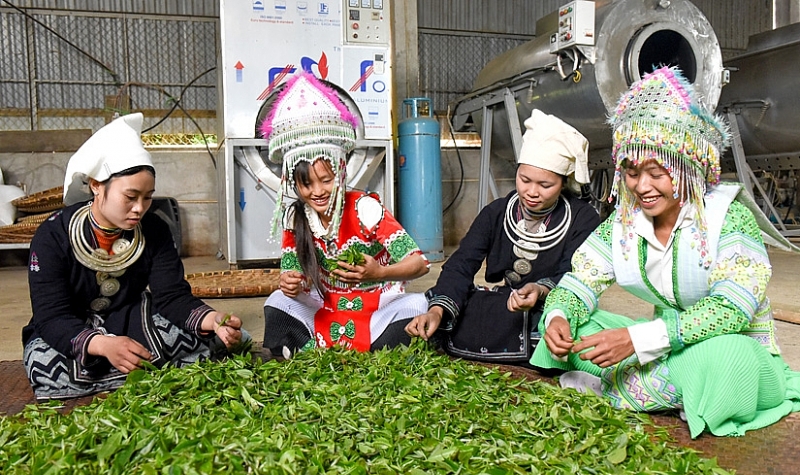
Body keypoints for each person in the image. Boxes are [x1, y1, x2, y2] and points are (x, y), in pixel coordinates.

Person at [532, 66, 800, 438]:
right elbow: (580, 282)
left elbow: (731, 311)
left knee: (725, 360)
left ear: (689, 166)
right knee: (578, 331)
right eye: (630, 171)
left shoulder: (729, 218)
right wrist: (559, 317)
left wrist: (636, 341)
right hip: (662, 348)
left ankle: (618, 388)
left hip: (730, 349)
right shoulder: (624, 222)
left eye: (657, 172)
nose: (642, 186)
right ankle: (667, 391)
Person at [23, 113, 247, 401]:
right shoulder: (53, 235)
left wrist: (213, 319)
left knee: (208, 335)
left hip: (129, 319)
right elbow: (52, 315)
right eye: (130, 197)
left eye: (148, 196)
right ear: (96, 185)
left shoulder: (154, 230)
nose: (140, 208)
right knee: (42, 363)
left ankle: (118, 374)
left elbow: (172, 297)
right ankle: (143, 367)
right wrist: (102, 345)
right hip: (72, 326)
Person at [405, 110, 600, 363]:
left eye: (545, 185)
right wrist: (437, 311)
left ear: (563, 182)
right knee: (441, 304)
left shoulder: (582, 218)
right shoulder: (496, 212)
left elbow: (575, 274)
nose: (531, 192)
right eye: (524, 179)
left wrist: (540, 290)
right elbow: (462, 265)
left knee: (576, 335)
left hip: (552, 307)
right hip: (506, 302)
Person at [259, 72, 429, 356]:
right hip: (325, 305)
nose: (318, 192)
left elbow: (419, 264)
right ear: (293, 183)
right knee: (277, 302)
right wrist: (292, 282)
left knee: (417, 305)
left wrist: (379, 272)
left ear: (341, 172)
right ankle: (345, 348)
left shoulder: (365, 208)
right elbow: (293, 271)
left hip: (375, 306)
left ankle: (310, 349)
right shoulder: (296, 217)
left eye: (326, 180)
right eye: (306, 184)